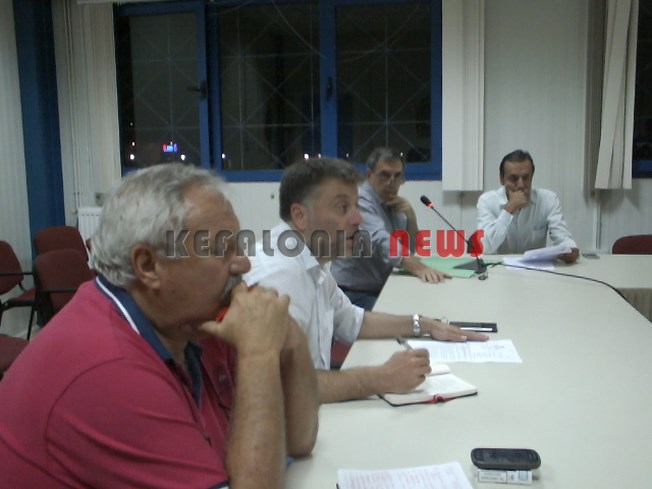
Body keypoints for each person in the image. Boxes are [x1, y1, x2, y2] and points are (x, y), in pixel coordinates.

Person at [0, 163, 319, 489]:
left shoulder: (193, 318)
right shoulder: (109, 369)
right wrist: (259, 354)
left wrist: (289, 336)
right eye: (222, 250)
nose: (244, 263)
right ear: (148, 265)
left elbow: (299, 438)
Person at [243, 157, 487, 404]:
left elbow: (353, 320)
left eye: (356, 207)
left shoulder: (310, 260)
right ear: (300, 215)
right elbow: (283, 386)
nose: (358, 219)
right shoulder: (279, 277)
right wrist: (381, 378)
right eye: (343, 208)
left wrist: (425, 325)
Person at [331, 147, 449, 310]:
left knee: (428, 304)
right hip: (352, 294)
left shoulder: (393, 202)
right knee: (408, 315)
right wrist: (420, 268)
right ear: (369, 174)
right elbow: (381, 241)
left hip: (382, 287)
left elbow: (410, 249)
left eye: (397, 176)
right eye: (385, 175)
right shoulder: (360, 200)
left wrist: (411, 215)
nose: (391, 182)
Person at [477, 149, 580, 263]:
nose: (521, 185)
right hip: (500, 267)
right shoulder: (487, 201)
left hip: (535, 267)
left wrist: (570, 249)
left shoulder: (548, 199)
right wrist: (510, 208)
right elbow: (485, 247)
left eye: (526, 178)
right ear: (502, 179)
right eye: (514, 178)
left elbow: (563, 237)